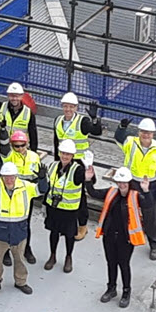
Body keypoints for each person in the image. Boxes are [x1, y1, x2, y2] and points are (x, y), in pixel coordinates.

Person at [0, 161, 48, 298]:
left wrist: (43, 179)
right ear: (1, 176)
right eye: (6, 176)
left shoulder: (26, 187)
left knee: (19, 259)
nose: (9, 179)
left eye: (11, 176)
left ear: (16, 176)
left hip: (19, 231)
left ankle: (21, 282)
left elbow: (42, 190)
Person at [85, 166, 153, 308]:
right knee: (111, 263)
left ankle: (126, 292)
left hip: (126, 239)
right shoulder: (111, 193)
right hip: (109, 235)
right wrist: (88, 180)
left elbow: (148, 205)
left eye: (124, 182)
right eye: (119, 182)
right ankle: (111, 289)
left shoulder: (135, 196)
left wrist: (146, 190)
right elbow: (93, 193)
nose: (121, 185)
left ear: (129, 182)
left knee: (123, 264)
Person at [114, 117, 156, 260]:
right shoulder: (131, 143)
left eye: (149, 133)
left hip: (150, 187)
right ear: (139, 132)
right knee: (126, 211)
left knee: (150, 216)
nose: (146, 135)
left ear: (153, 134)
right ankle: (126, 237)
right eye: (143, 132)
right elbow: (119, 138)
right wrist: (121, 127)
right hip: (132, 183)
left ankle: (154, 244)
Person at [53, 92, 102, 241]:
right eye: (65, 106)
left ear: (76, 107)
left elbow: (97, 131)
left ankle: (82, 226)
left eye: (71, 106)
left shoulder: (82, 122)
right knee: (65, 192)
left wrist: (94, 119)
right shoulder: (58, 120)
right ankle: (67, 224)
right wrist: (57, 162)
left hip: (79, 163)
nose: (68, 109)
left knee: (79, 196)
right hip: (64, 161)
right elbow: (57, 141)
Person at [0, 130, 42, 265]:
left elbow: (36, 177)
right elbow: (3, 149)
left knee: (25, 225)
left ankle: (26, 249)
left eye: (22, 145)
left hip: (25, 197)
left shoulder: (34, 157)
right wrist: (3, 134)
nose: (20, 148)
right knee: (7, 224)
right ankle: (6, 252)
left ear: (27, 143)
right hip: (10, 195)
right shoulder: (9, 156)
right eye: (16, 146)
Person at [43, 139, 84, 273]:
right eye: (63, 153)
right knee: (53, 232)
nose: (65, 156)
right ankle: (52, 255)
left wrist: (88, 176)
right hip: (53, 207)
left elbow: (81, 180)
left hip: (69, 209)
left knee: (69, 234)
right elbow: (48, 184)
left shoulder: (77, 170)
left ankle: (68, 257)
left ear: (72, 156)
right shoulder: (53, 166)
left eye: (68, 154)